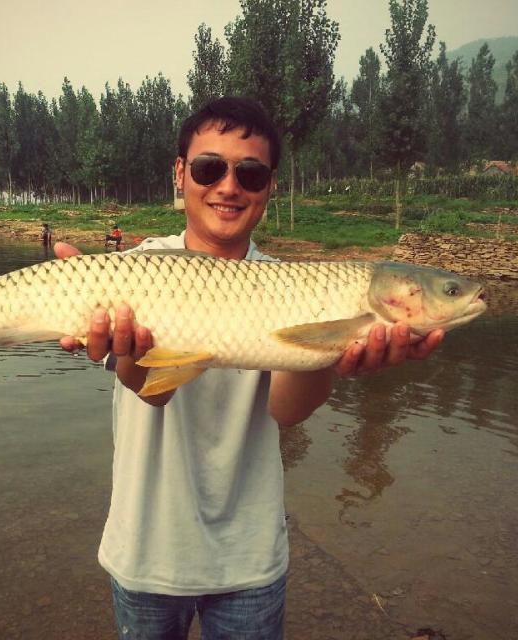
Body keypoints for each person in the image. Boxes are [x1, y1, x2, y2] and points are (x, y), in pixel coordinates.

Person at [53, 96, 443, 639]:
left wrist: (331, 353)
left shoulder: (288, 283)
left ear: (270, 186)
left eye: (250, 173)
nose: (229, 187)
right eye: (209, 168)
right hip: (145, 551)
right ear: (180, 173)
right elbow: (153, 391)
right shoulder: (136, 270)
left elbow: (287, 410)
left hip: (249, 560)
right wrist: (128, 351)